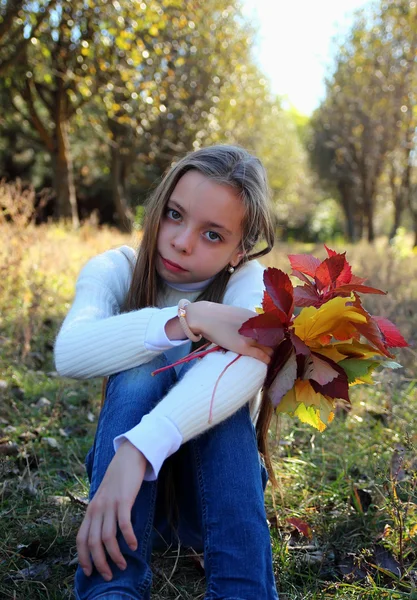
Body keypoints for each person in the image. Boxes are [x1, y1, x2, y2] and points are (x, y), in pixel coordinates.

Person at [54, 144, 280, 600]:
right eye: (175, 215)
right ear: (158, 207)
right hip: (129, 501)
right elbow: (70, 353)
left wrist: (138, 447)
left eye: (213, 235)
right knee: (144, 365)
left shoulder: (248, 283)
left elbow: (250, 362)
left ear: (241, 249)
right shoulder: (115, 268)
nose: (182, 241)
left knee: (224, 373)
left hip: (210, 498)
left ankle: (244, 591)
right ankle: (110, 591)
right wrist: (187, 318)